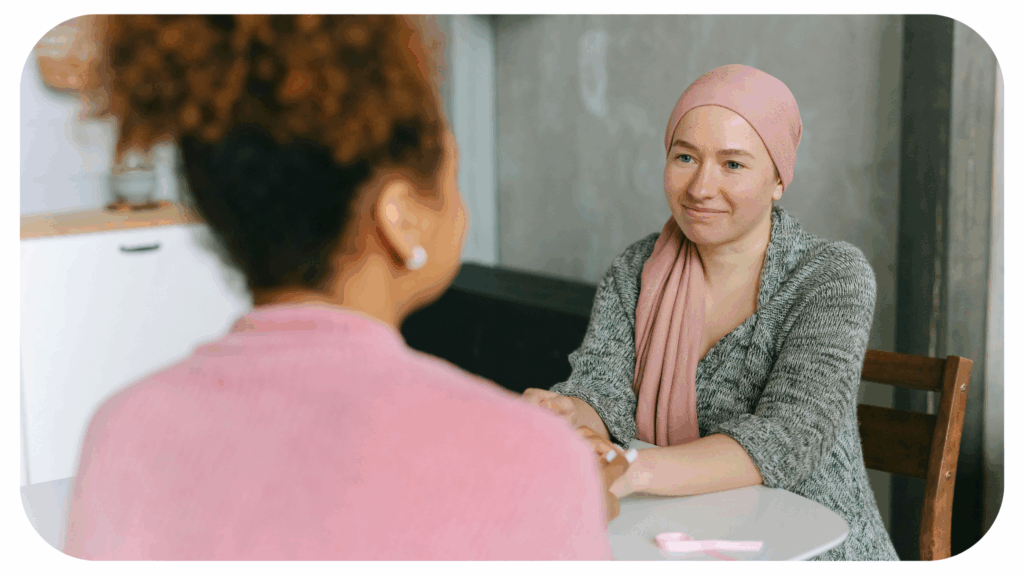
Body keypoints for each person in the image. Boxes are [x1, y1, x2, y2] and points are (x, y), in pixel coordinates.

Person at [61, 15, 626, 560]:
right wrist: (562, 502)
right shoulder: (531, 461)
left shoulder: (123, 433)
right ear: (401, 216)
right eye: (451, 171)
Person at [523, 64, 899, 561]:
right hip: (671, 540)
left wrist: (628, 468)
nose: (701, 187)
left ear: (778, 180)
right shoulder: (637, 268)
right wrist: (571, 412)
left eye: (733, 164)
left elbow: (787, 436)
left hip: (812, 551)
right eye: (685, 157)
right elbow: (602, 390)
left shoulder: (829, 276)